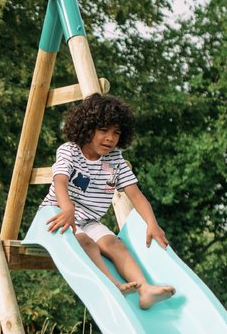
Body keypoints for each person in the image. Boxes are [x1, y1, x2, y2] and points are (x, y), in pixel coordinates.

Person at [41, 93, 177, 310]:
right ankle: (113, 284)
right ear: (87, 129)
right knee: (85, 241)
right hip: (57, 216)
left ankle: (145, 289)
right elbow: (60, 181)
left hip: (88, 219)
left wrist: (152, 223)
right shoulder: (70, 151)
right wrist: (67, 208)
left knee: (114, 243)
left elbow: (136, 195)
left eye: (116, 133)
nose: (110, 138)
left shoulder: (115, 159)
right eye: (103, 131)